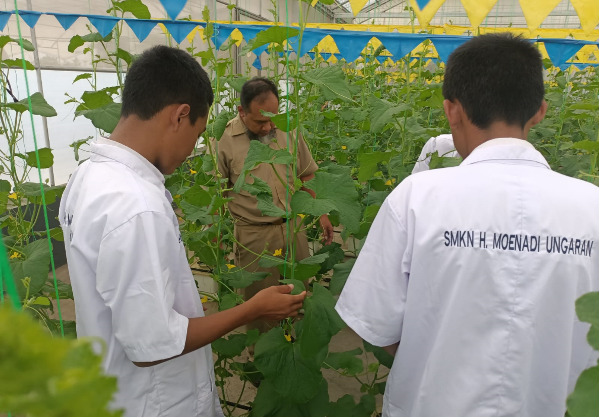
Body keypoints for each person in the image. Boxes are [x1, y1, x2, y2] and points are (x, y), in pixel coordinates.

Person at [336, 34, 599, 417]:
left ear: (452, 110)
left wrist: (440, 352)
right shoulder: (591, 207)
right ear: (540, 111)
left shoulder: (416, 199)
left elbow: (378, 325)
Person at [59, 46, 306, 417]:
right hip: (155, 402)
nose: (192, 150)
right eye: (198, 133)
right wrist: (251, 309)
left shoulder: (87, 176)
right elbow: (152, 344)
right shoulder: (136, 205)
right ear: (180, 116)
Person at [213, 77, 334, 334]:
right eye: (260, 121)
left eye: (273, 117)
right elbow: (216, 193)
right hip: (254, 236)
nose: (269, 126)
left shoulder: (288, 129)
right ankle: (261, 361)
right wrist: (217, 237)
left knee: (298, 295)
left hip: (293, 227)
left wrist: (321, 213)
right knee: (259, 307)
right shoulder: (224, 139)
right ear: (241, 111)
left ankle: (294, 352)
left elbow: (307, 174)